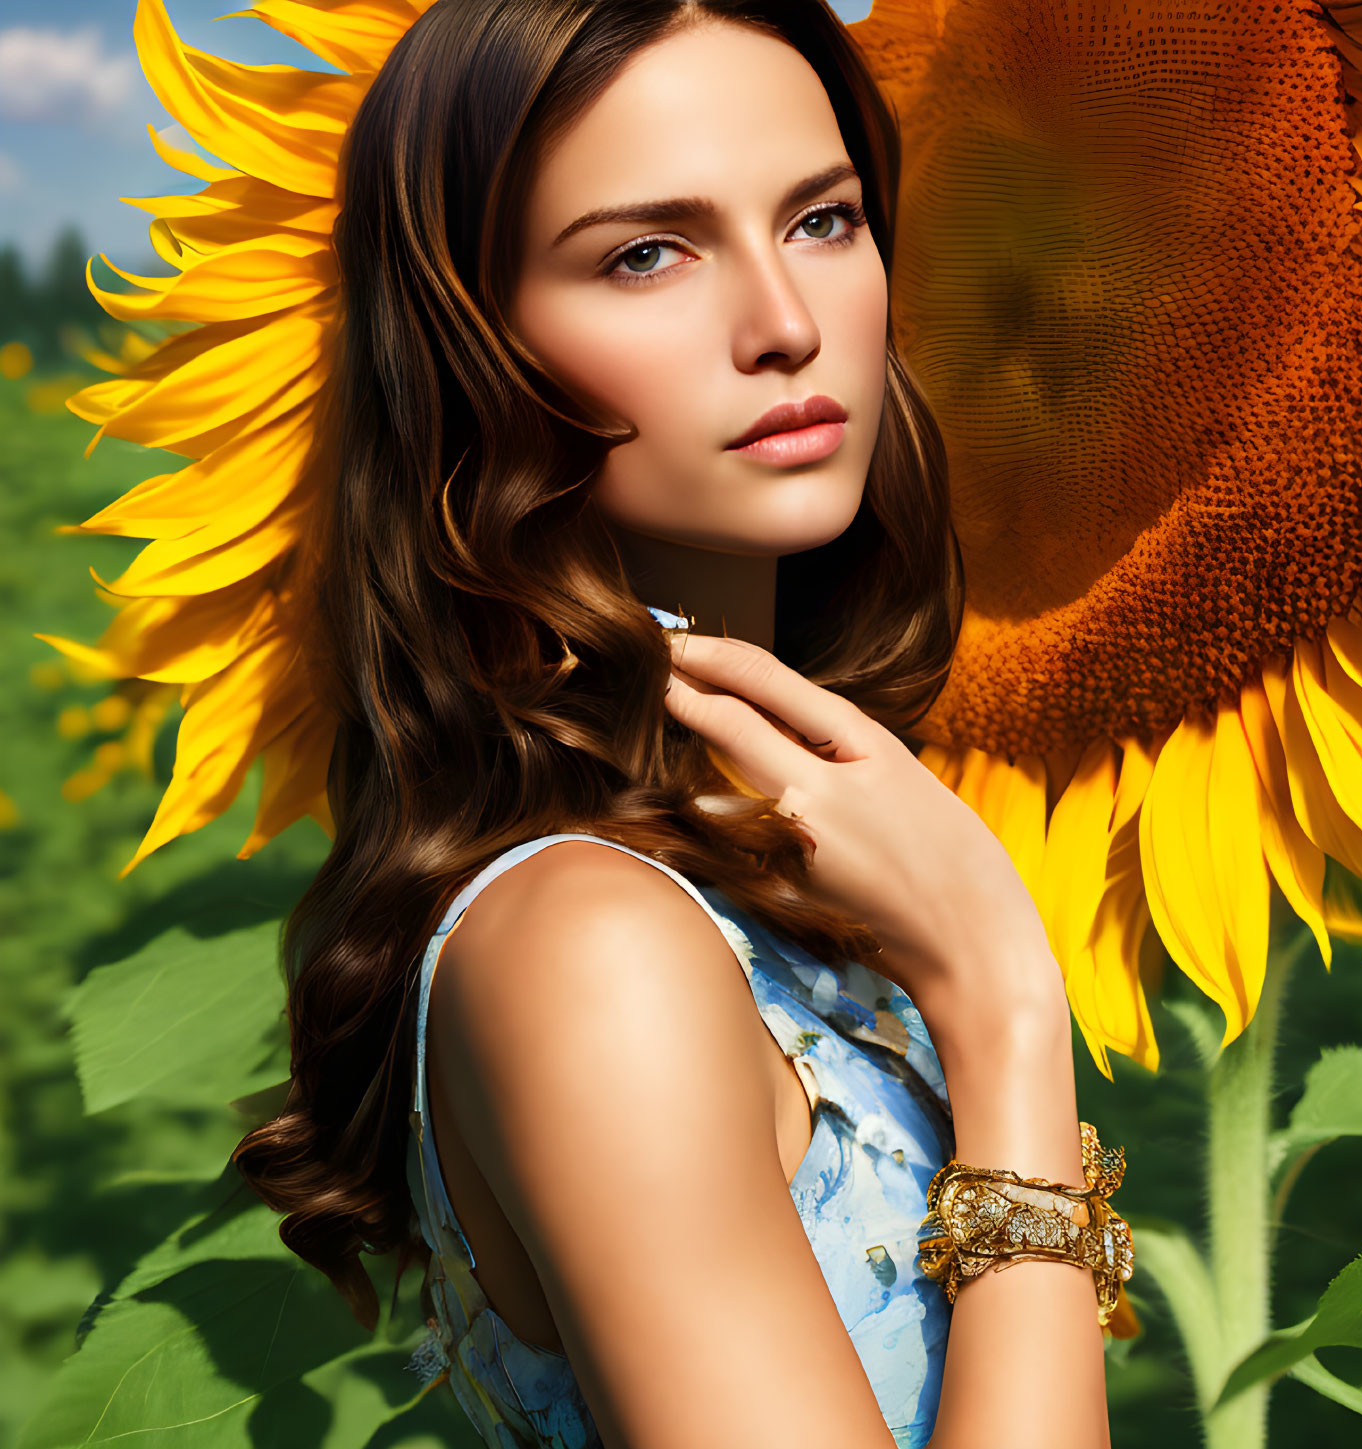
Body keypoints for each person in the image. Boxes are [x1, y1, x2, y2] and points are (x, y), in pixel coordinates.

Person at [226, 1, 1126, 1445]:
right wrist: (1006, 1012)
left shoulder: (766, 864)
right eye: (646, 252)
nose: (782, 325)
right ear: (471, 345)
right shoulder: (589, 944)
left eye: (823, 220)